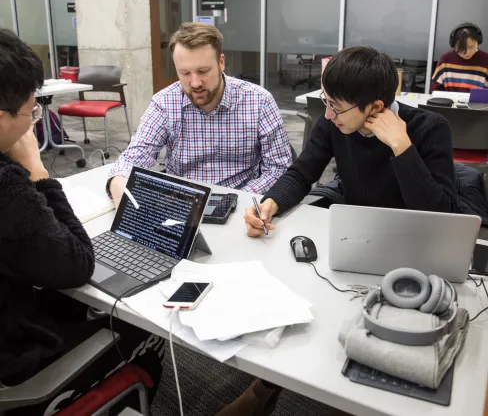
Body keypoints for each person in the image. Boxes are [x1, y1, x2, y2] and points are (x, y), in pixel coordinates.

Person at [0, 29, 164, 414]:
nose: (31, 126)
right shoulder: (6, 187)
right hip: (15, 359)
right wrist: (38, 170)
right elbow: (77, 262)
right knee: (146, 330)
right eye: (31, 113)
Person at [244, 46, 459, 237]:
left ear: (375, 107)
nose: (328, 115)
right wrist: (271, 203)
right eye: (326, 101)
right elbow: (302, 172)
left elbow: (440, 216)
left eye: (336, 106)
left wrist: (401, 147)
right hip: (354, 230)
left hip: (411, 235)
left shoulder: (430, 127)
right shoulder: (334, 122)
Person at [108, 22, 292, 207]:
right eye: (185, 73)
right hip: (181, 208)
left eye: (203, 71)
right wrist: (119, 182)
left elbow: (278, 169)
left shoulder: (259, 101)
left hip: (242, 206)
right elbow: (137, 154)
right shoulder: (165, 103)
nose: (195, 82)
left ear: (221, 62)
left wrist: (233, 201)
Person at [431, 22, 488, 93]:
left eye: (471, 47)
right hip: (450, 102)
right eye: (461, 48)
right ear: (454, 45)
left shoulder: (486, 59)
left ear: (478, 42)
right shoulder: (445, 59)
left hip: (478, 103)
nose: (467, 52)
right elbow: (436, 88)